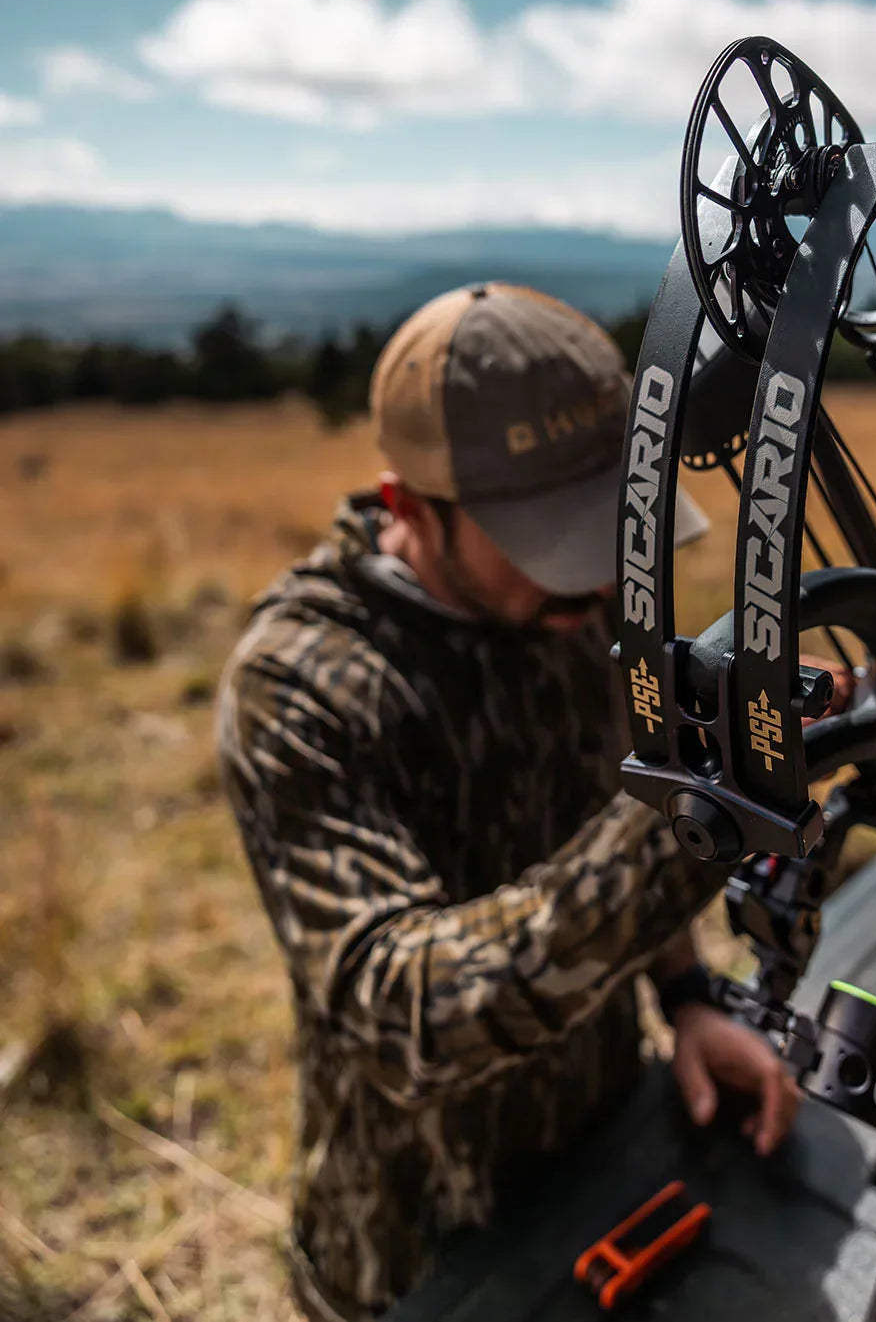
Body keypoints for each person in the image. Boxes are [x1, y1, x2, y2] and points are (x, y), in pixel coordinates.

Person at [218, 283, 842, 1322]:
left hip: (610, 1164)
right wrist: (690, 821)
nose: (596, 585)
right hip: (416, 1254)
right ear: (409, 506)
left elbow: (606, 794)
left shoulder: (574, 608)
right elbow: (402, 1012)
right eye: (550, 540)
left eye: (605, 529)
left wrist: (688, 997)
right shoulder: (302, 685)